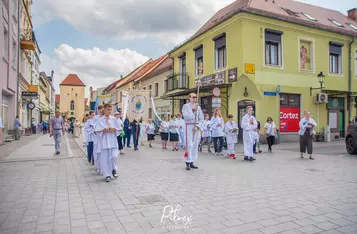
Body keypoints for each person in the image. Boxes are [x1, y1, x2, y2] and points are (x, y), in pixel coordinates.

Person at [94, 103, 120, 182]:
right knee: (105, 159)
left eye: (111, 109)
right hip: (104, 142)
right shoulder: (100, 120)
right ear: (104, 110)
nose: (109, 111)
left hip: (113, 141)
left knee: (114, 157)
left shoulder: (114, 119)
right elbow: (96, 130)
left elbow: (119, 129)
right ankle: (107, 175)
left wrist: (114, 129)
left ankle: (114, 169)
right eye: (108, 109)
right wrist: (103, 130)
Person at [182, 93, 204, 170]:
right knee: (189, 144)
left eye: (195, 97)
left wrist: (198, 126)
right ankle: (187, 161)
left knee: (195, 145)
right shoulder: (185, 106)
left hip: (196, 127)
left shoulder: (199, 107)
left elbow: (201, 118)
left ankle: (192, 161)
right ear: (189, 98)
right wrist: (193, 110)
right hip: (189, 126)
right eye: (193, 97)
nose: (194, 98)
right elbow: (186, 117)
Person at [93, 105, 104, 174]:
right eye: (99, 109)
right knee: (97, 153)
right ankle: (98, 167)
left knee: (102, 153)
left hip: (103, 138)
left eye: (101, 109)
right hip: (97, 138)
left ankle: (102, 167)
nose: (100, 110)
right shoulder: (95, 118)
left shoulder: (105, 118)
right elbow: (94, 127)